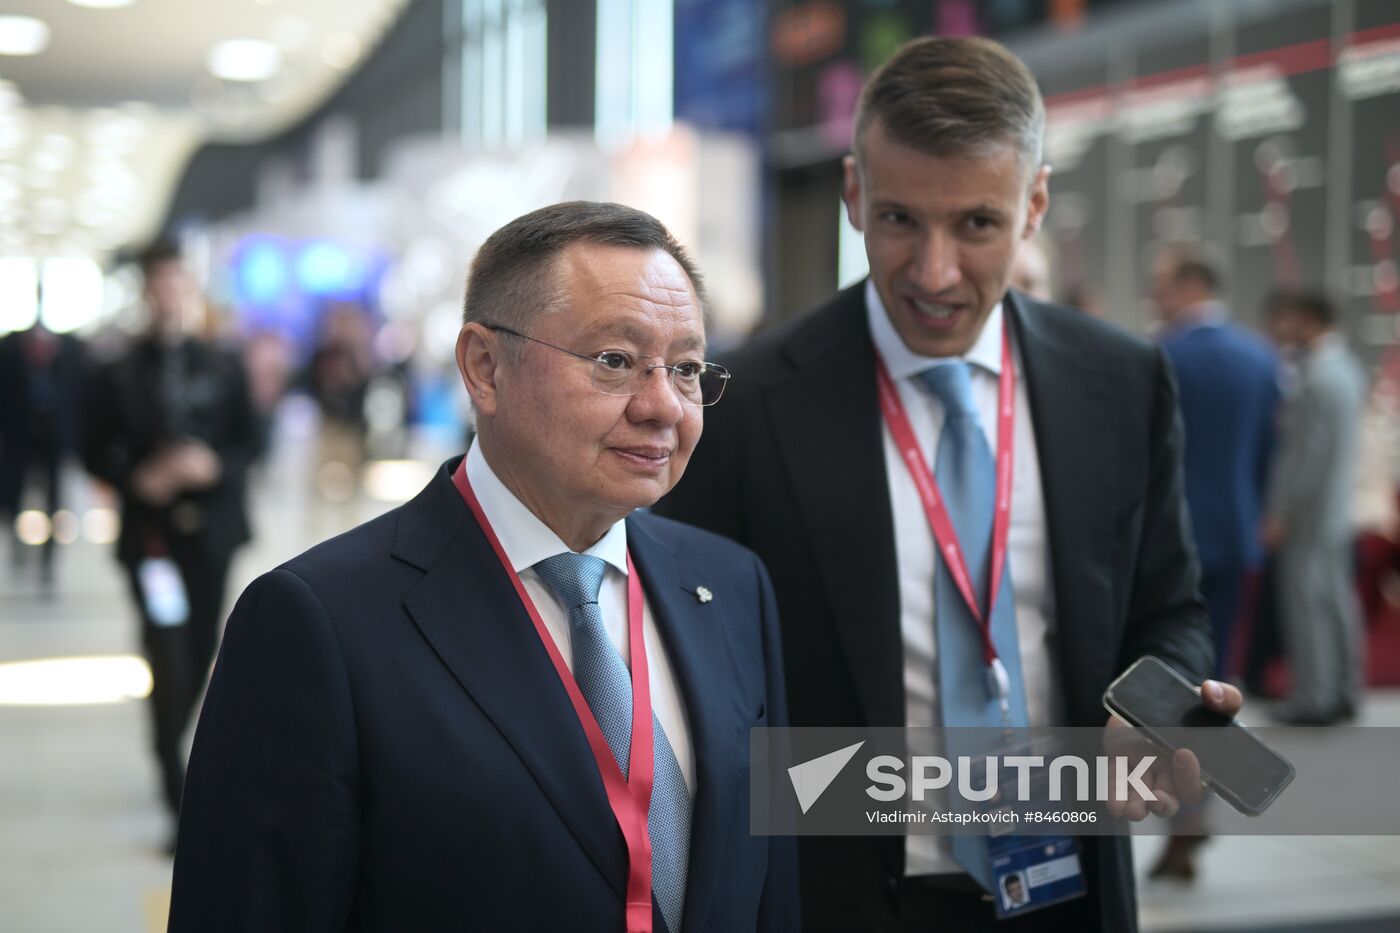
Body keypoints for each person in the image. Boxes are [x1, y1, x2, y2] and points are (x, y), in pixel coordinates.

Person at [659, 36, 1239, 932]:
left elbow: (1170, 610)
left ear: (1034, 204)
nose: (933, 273)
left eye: (976, 224)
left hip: (1071, 888)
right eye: (898, 220)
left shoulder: (1121, 382)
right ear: (853, 193)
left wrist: (1157, 704)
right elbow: (692, 678)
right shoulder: (749, 404)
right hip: (840, 900)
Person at [168, 202, 798, 932]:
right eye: (615, 361)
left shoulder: (731, 586)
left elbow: (771, 880)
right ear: (485, 366)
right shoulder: (317, 624)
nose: (662, 406)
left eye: (686, 369)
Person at [79, 242, 260, 827]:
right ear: (146, 292)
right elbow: (89, 448)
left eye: (178, 282)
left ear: (191, 288)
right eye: (158, 284)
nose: (169, 294)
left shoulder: (225, 363)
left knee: (203, 647)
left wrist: (213, 467)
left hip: (210, 535)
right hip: (151, 538)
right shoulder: (116, 372)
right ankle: (173, 784)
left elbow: (253, 442)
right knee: (167, 651)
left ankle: (171, 747)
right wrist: (136, 477)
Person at [1147, 244, 1280, 880]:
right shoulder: (1261, 357)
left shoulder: (1166, 355)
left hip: (1176, 542)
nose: (1155, 300)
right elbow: (1265, 456)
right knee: (1216, 678)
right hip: (1236, 535)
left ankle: (1188, 815)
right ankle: (1198, 810)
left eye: (1160, 289)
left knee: (1174, 681)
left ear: (1186, 287)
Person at [1262, 289, 1368, 725]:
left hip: (1310, 512)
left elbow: (1306, 457)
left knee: (1307, 605)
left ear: (1309, 320)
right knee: (1336, 602)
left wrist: (1280, 512)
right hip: (1337, 509)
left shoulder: (1318, 378)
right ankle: (1344, 688)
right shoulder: (1348, 370)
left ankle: (1314, 696)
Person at [0, 321, 86, 590]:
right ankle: (18, 543)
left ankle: (48, 558)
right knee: (14, 495)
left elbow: (77, 396)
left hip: (54, 439)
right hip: (19, 438)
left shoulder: (70, 352)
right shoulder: (10, 351)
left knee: (54, 499)